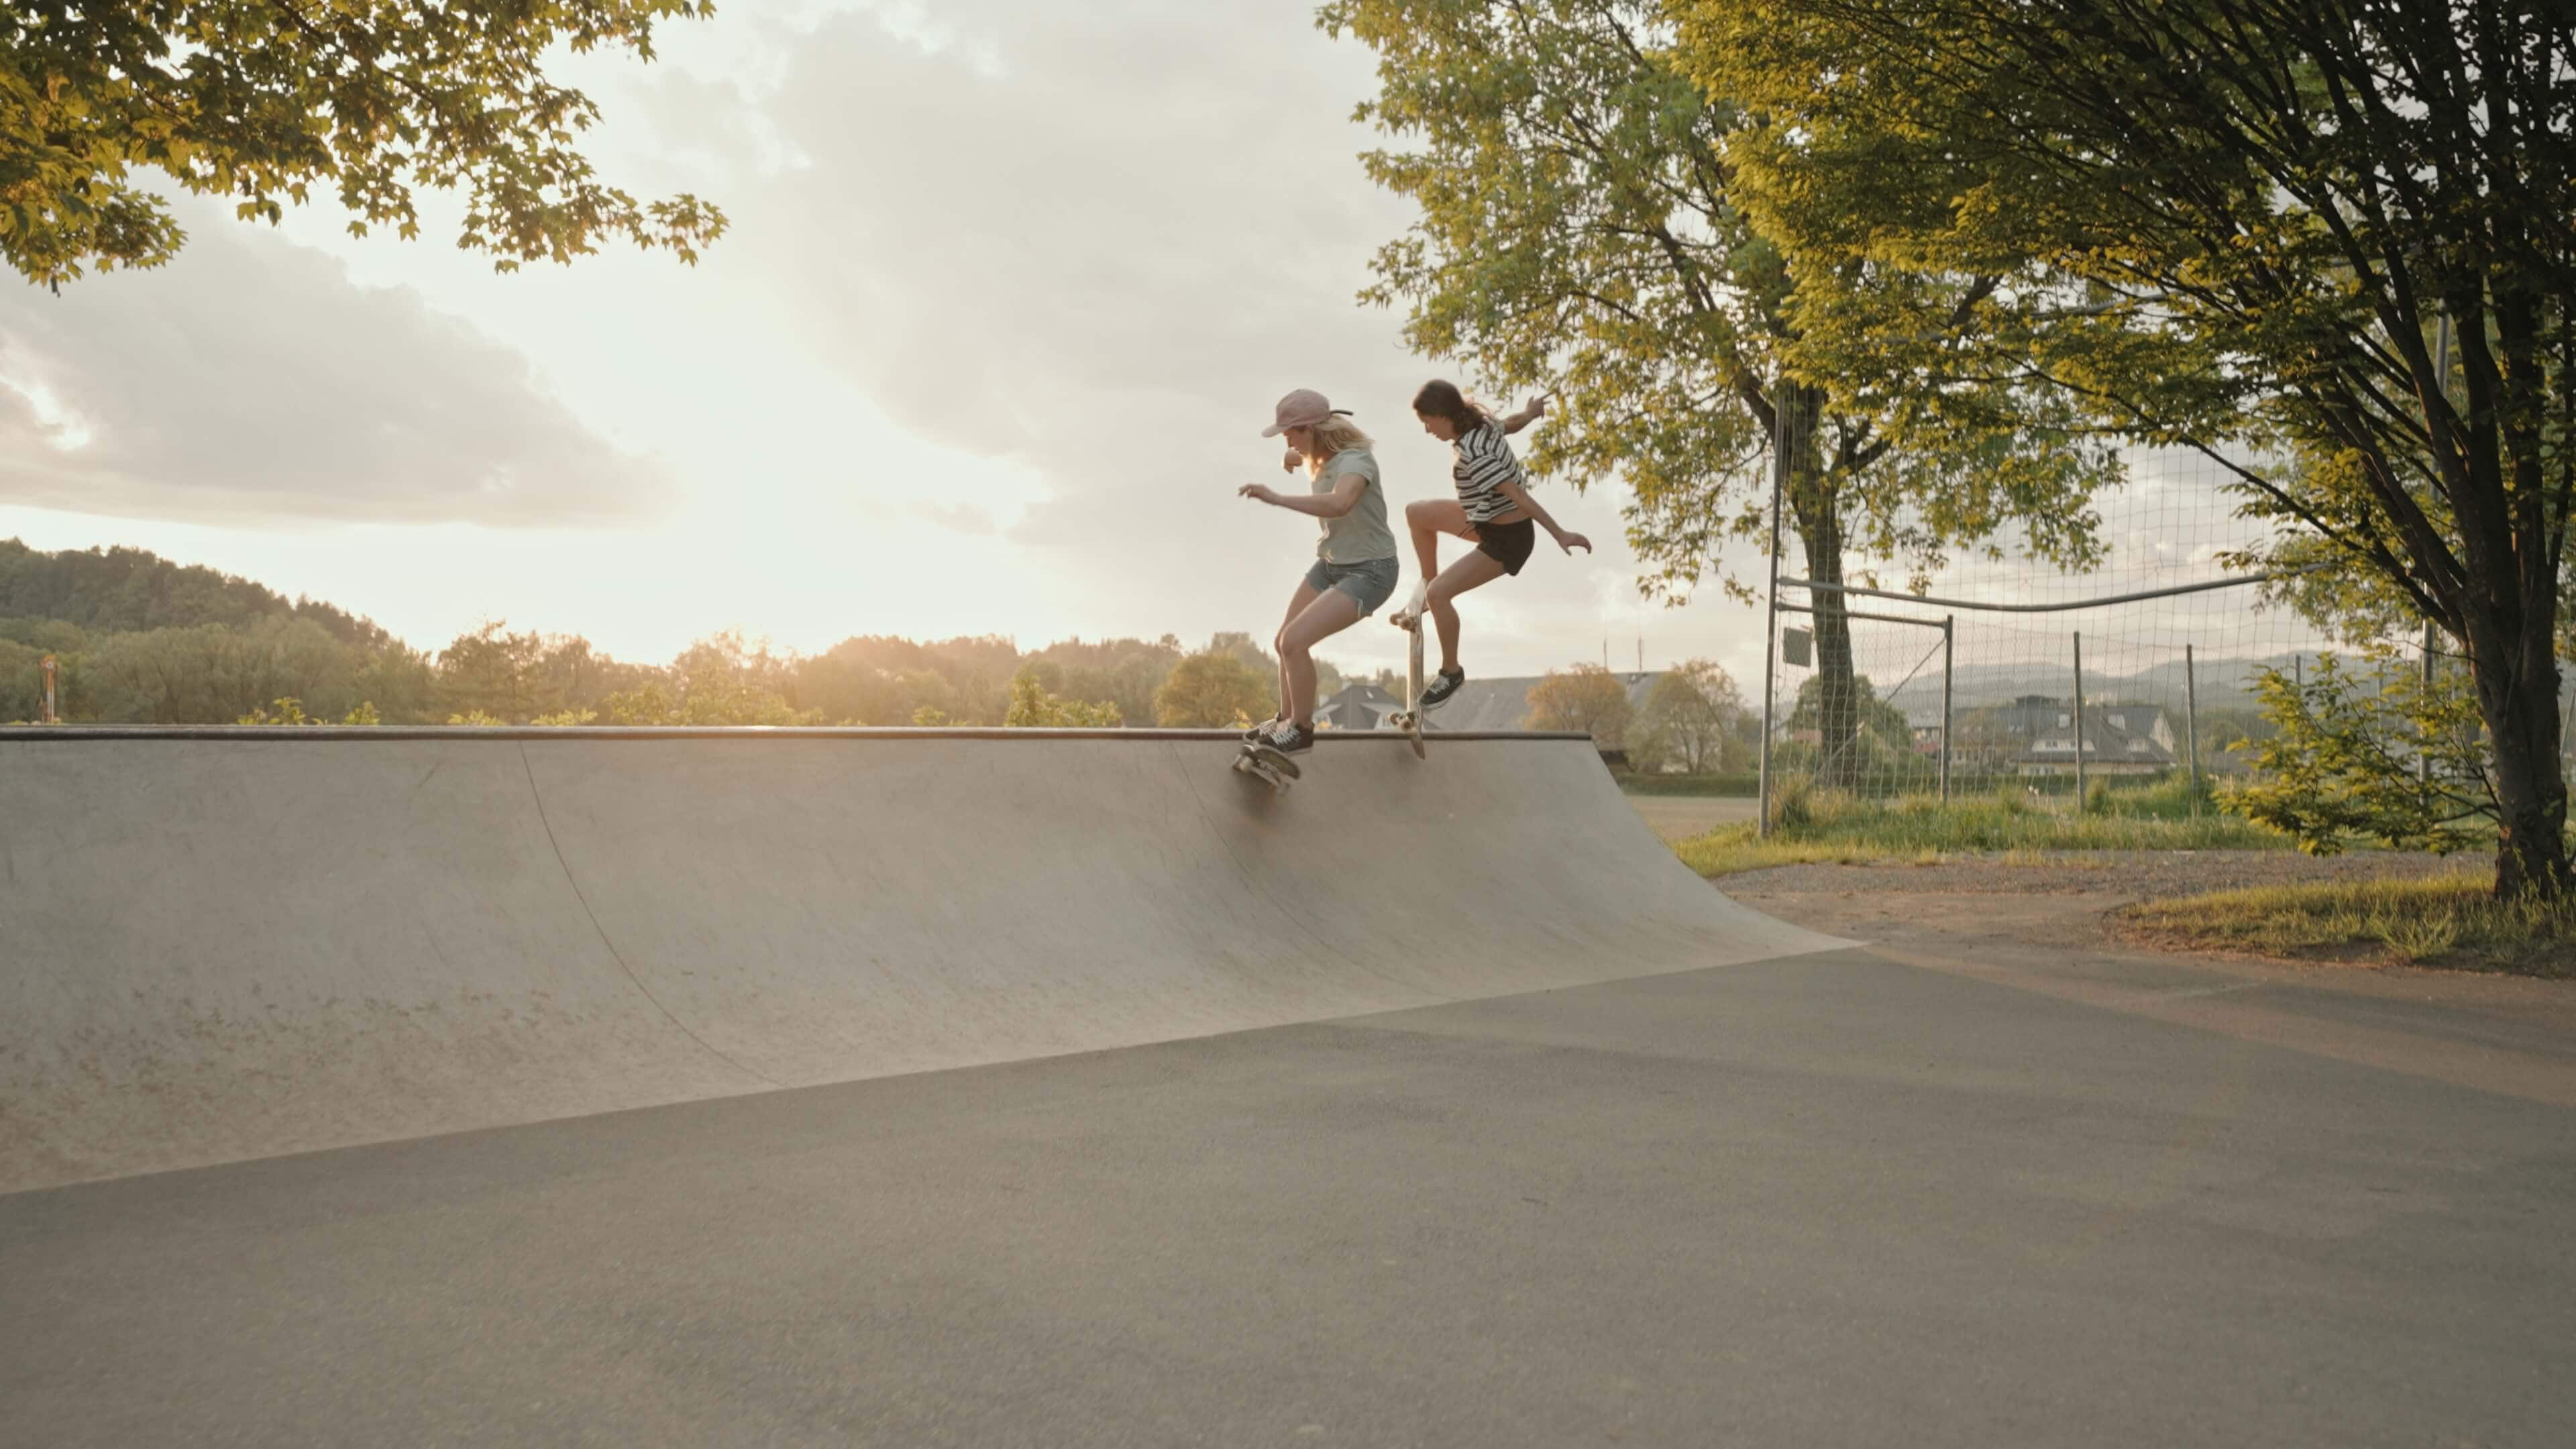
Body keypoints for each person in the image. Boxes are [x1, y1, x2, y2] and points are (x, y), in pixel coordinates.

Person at [1393, 380, 1591, 710]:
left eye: (1428, 422)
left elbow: (1519, 496)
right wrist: (1529, 414)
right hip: (1483, 519)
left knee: (1441, 594)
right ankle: (1428, 584)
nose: (1427, 430)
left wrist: (1559, 533)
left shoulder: (1476, 455)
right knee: (1417, 514)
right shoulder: (1477, 424)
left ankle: (1451, 672)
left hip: (1507, 542)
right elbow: (1509, 426)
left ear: (1444, 416)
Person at [1235, 388, 1401, 757]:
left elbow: (1341, 503)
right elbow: (1295, 453)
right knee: (1283, 642)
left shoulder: (1357, 463)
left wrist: (1277, 498)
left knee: (1296, 642)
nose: (1287, 440)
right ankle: (1285, 720)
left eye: (1290, 433)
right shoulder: (1315, 452)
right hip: (1331, 564)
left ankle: (1301, 731)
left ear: (1310, 428)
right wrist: (1289, 458)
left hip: (1372, 572)